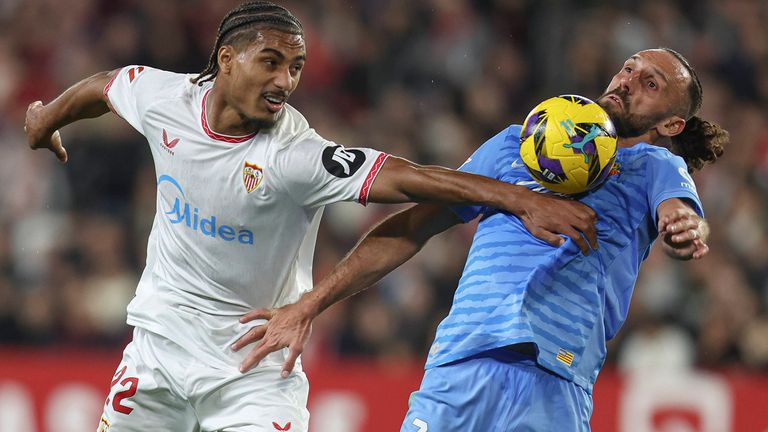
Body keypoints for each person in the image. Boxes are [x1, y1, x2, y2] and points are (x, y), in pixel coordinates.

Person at [22, 2, 599, 431]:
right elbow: (104, 87)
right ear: (226, 59)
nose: (284, 82)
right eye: (270, 62)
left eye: (295, 67)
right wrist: (46, 118)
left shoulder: (295, 155)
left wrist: (523, 198)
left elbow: (411, 176)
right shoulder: (163, 98)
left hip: (253, 365)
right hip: (158, 350)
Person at [232, 48, 729, 430]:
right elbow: (409, 228)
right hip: (460, 362)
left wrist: (685, 229)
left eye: (650, 83)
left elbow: (680, 213)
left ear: (672, 123)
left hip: (554, 379)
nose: (627, 82)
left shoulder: (653, 167)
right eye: (628, 69)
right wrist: (310, 304)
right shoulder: (516, 144)